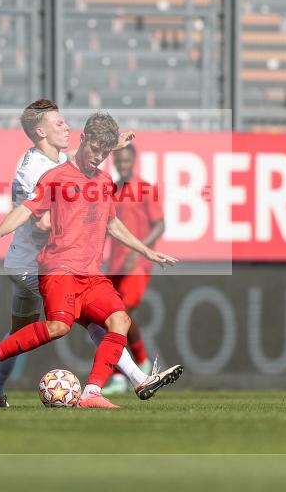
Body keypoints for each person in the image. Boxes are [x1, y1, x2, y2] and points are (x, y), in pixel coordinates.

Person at [0, 113, 179, 409]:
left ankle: (92, 393)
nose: (98, 157)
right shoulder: (56, 177)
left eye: (104, 151)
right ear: (82, 139)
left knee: (120, 320)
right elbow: (27, 209)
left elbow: (112, 223)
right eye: (94, 148)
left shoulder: (104, 180)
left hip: (92, 276)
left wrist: (146, 251)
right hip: (58, 269)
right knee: (60, 326)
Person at [102, 144, 164, 395]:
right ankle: (141, 359)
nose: (123, 164)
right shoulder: (110, 189)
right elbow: (106, 226)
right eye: (119, 160)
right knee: (114, 317)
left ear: (134, 160)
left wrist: (140, 250)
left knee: (120, 315)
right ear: (115, 161)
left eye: (127, 160)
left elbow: (160, 225)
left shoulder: (146, 189)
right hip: (115, 264)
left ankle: (118, 377)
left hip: (137, 265)